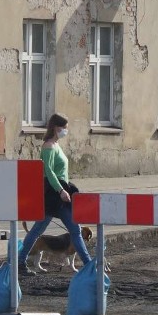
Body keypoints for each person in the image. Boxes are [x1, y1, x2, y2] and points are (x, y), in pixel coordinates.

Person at [18, 113, 93, 275]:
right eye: (64, 128)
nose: (66, 130)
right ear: (55, 127)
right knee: (40, 230)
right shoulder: (48, 147)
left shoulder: (56, 145)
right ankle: (19, 262)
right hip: (54, 197)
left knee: (74, 229)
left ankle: (88, 264)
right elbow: (49, 172)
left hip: (60, 195)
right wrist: (61, 191)